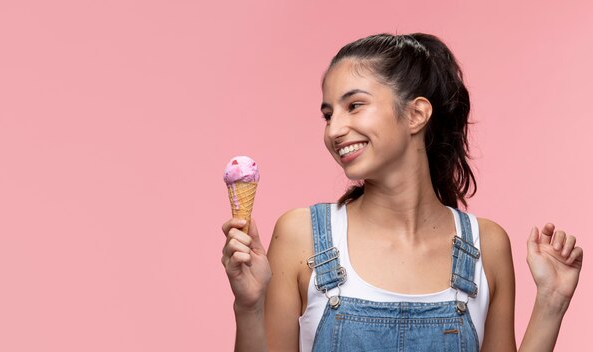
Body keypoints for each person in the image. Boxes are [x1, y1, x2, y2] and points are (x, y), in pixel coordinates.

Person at [220, 33, 584, 352]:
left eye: (355, 105)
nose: (334, 130)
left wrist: (552, 302)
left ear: (415, 115)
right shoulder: (302, 237)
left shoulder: (486, 246)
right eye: (328, 115)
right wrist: (248, 307)